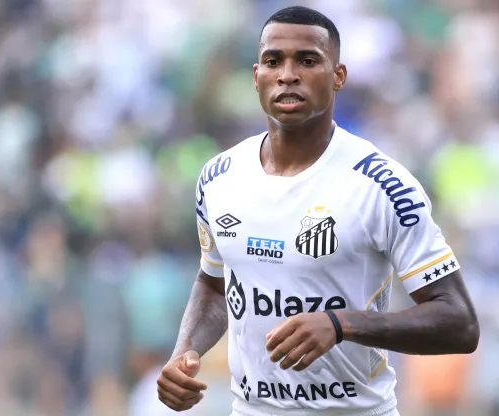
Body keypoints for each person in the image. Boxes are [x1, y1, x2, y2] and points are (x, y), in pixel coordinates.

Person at [157, 6, 479, 416]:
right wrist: (184, 354)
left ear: (338, 76)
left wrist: (342, 324)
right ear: (257, 76)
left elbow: (460, 323)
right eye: (274, 61)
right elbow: (214, 284)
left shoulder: (383, 186)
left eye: (307, 61)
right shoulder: (218, 178)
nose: (288, 74)